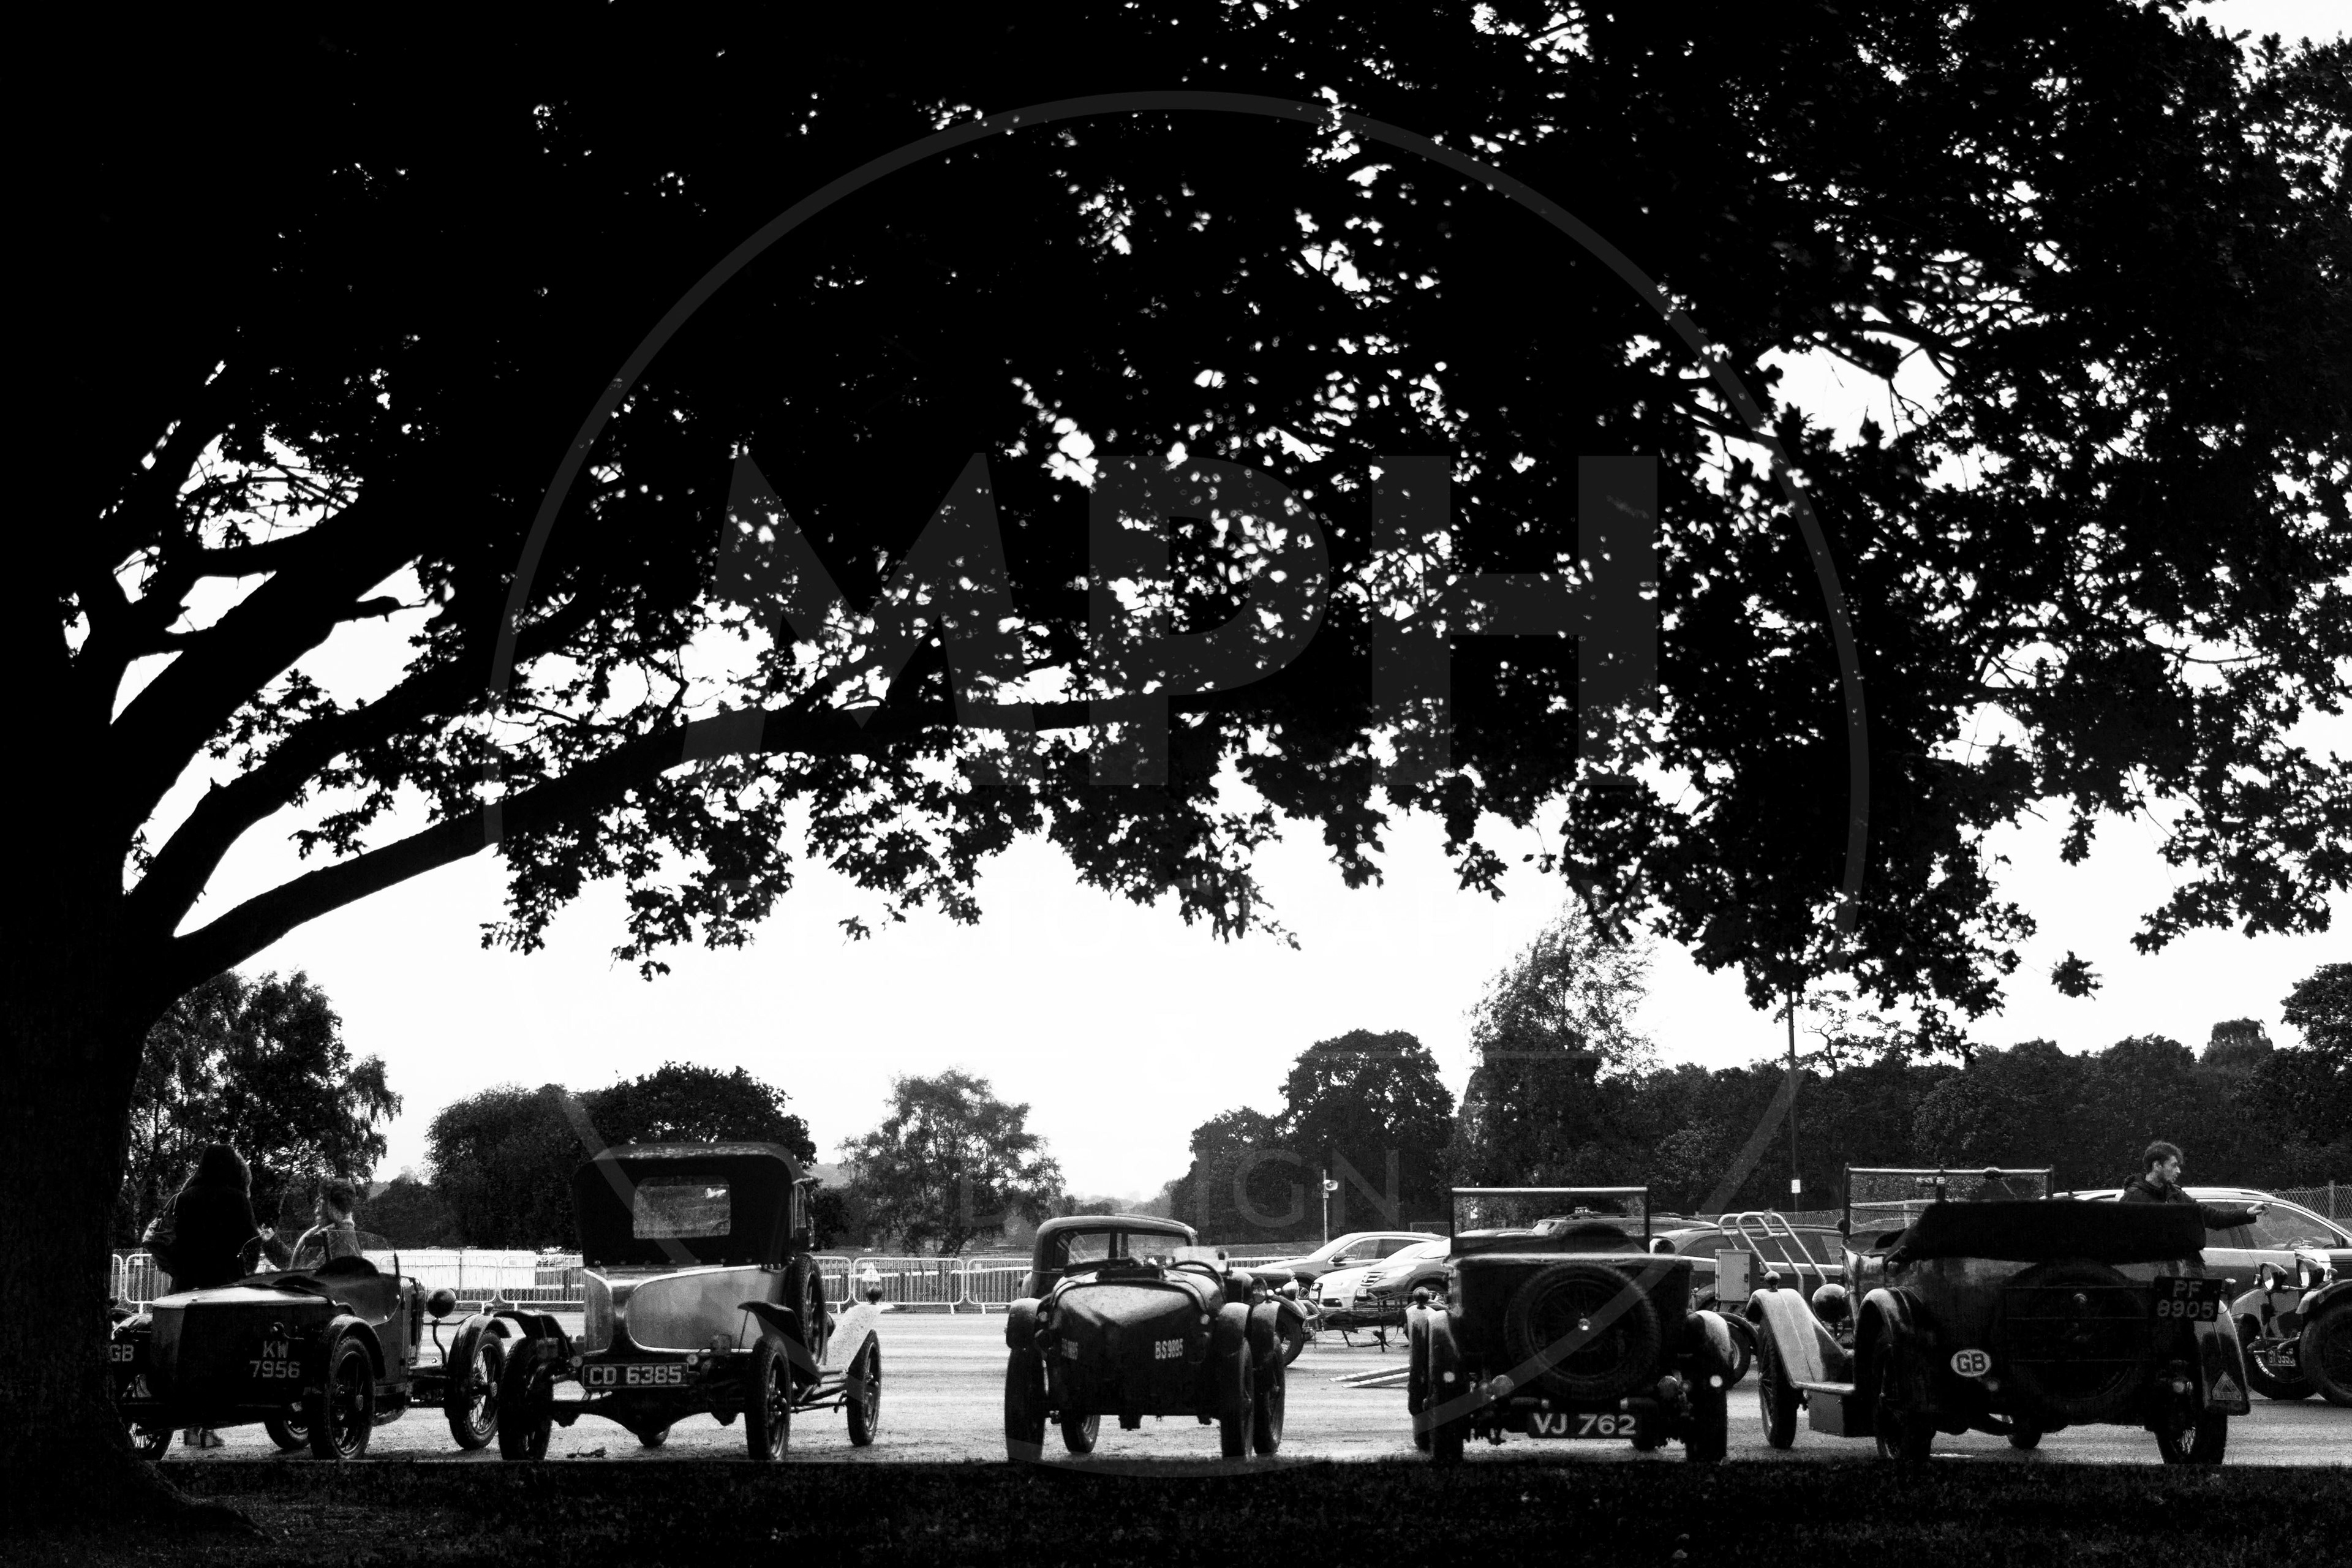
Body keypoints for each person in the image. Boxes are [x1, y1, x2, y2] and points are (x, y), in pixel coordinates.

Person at [155, 1144, 273, 1447]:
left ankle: (188, 1424)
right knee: (218, 1356)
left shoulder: (185, 1197)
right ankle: (208, 1427)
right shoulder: (236, 1198)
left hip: (184, 1285)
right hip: (222, 1287)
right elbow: (252, 1240)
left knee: (185, 1356)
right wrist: (244, 1271)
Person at [2120, 1142, 2266, 1229]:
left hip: (2175, 1270)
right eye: (2174, 1165)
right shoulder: (2133, 1197)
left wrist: (2247, 1213)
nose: (2178, 1171)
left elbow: (2214, 1218)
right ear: (2157, 1165)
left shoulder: (2176, 1195)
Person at [291, 1177, 364, 1265]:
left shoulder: (340, 1235)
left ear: (332, 1207)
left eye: (322, 1198)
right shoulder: (327, 1231)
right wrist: (270, 1238)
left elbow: (310, 1271)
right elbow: (296, 1265)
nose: (317, 1200)